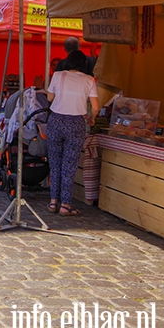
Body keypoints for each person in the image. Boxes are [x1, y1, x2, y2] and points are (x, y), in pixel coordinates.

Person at [46, 50, 100, 217]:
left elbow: (49, 98)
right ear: (84, 64)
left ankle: (53, 202)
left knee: (55, 164)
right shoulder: (89, 80)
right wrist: (91, 118)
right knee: (69, 166)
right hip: (75, 123)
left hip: (55, 121)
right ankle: (66, 205)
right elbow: (96, 107)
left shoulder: (58, 75)